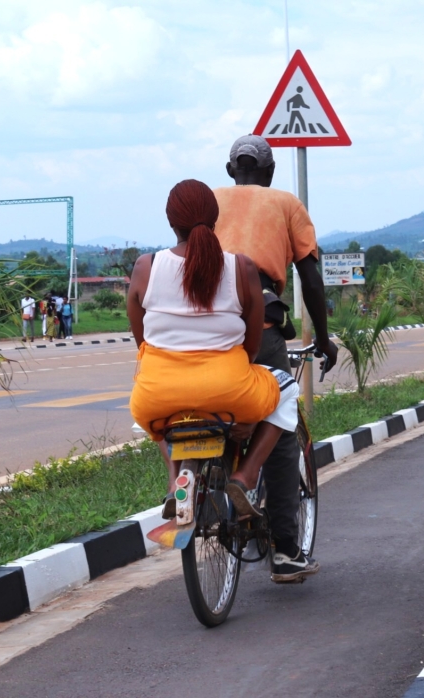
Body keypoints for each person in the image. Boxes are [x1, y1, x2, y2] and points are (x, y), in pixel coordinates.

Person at [127, 180, 308, 580]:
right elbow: (251, 341)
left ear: (170, 221)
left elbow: (142, 337)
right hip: (229, 391)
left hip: (158, 395)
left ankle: (177, 480)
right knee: (286, 388)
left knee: (153, 412)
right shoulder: (240, 267)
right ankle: (243, 477)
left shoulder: (146, 267)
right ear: (215, 218)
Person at [213, 134, 337, 582]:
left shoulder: (206, 202)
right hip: (259, 325)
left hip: (201, 329)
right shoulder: (285, 203)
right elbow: (311, 278)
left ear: (231, 171)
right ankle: (286, 551)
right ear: (268, 174)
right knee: (282, 426)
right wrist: (323, 338)